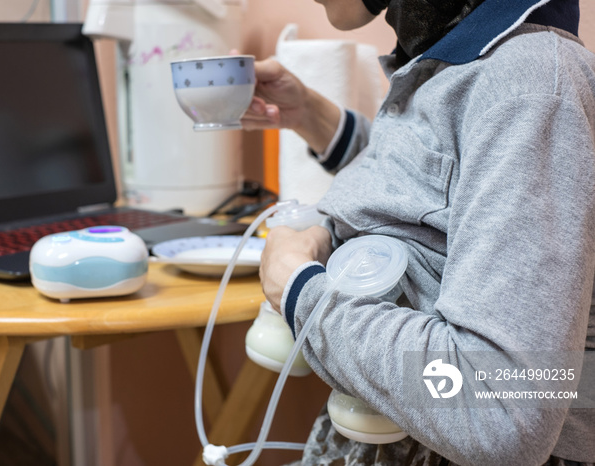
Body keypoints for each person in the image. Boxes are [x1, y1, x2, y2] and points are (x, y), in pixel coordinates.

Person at [243, 0, 595, 464]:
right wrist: (312, 116)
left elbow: (500, 410)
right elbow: (439, 205)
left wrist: (299, 291)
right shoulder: (468, 59)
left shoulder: (529, 84)